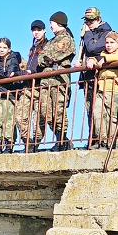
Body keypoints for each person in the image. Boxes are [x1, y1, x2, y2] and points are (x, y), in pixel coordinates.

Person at [38, 12, 76, 150]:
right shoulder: (51, 41)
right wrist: (45, 59)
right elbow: (40, 58)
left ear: (58, 23)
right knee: (46, 112)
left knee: (58, 111)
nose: (50, 26)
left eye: (51, 23)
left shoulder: (66, 39)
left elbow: (52, 56)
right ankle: (61, 139)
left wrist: (46, 59)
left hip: (58, 79)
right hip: (46, 79)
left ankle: (62, 140)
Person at [75, 7, 112, 143]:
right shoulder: (88, 34)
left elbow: (93, 48)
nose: (88, 23)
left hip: (99, 77)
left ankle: (103, 139)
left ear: (98, 19)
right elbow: (87, 50)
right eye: (86, 21)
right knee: (90, 109)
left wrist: (88, 34)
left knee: (99, 110)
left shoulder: (106, 32)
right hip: (87, 77)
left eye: (91, 20)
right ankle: (93, 138)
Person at [90, 31, 118, 148]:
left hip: (115, 89)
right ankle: (101, 140)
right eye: (107, 42)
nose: (108, 45)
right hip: (101, 89)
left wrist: (106, 59)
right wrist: (91, 60)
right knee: (98, 114)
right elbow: (96, 59)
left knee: (113, 117)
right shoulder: (103, 53)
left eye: (112, 42)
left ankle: (113, 142)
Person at [0, 37, 23, 153]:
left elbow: (9, 74)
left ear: (9, 49)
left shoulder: (13, 58)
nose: (1, 50)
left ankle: (9, 144)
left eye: (4, 47)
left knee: (8, 119)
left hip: (10, 92)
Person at [17, 20, 47, 151]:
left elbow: (43, 63)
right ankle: (27, 141)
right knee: (20, 116)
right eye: (34, 30)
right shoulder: (33, 47)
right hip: (28, 86)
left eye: (39, 30)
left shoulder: (47, 45)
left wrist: (33, 72)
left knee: (38, 119)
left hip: (40, 85)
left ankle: (35, 143)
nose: (36, 32)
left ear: (44, 30)